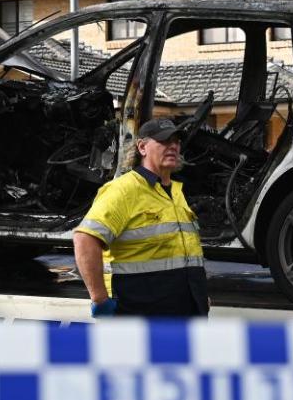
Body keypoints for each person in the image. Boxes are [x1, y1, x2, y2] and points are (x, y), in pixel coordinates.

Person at [73, 117, 209, 317]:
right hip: (142, 313)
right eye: (164, 141)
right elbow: (85, 239)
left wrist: (198, 294)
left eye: (176, 141)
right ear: (142, 147)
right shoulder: (124, 189)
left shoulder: (176, 192)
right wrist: (100, 299)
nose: (173, 146)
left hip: (184, 310)